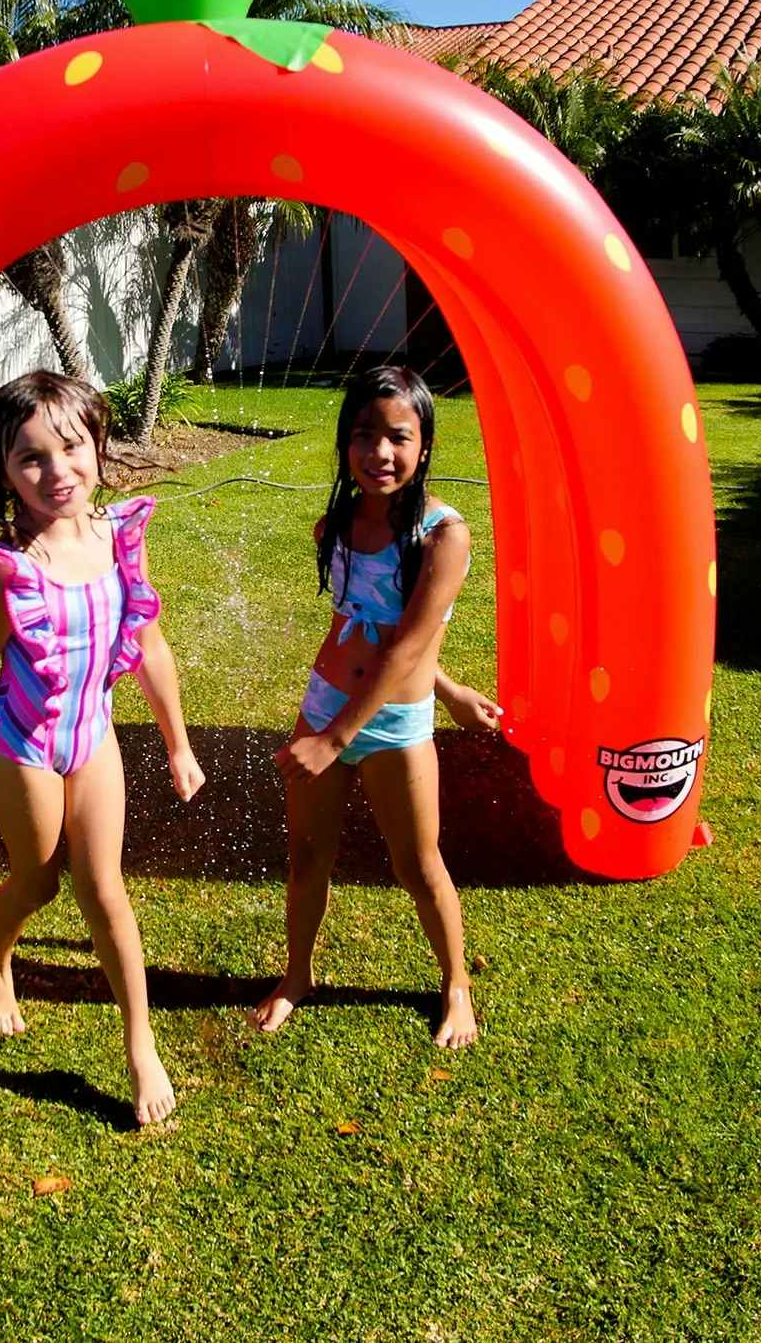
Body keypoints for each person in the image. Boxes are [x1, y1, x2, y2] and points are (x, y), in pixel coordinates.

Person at [0, 372, 205, 1126]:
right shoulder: (6, 573)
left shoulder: (117, 540)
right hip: (19, 742)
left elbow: (148, 645)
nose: (58, 472)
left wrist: (177, 744)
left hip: (94, 735)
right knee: (39, 881)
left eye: (72, 448)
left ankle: (140, 1043)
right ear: (4, 472)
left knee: (104, 888)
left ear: (98, 445)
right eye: (32, 459)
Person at [251, 365, 498, 1049]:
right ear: (344, 441)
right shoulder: (335, 525)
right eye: (364, 435)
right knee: (306, 858)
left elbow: (409, 646)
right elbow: (364, 627)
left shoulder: (443, 537)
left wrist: (338, 737)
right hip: (326, 705)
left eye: (398, 437)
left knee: (417, 864)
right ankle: (297, 975)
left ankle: (455, 984)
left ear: (423, 447)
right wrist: (449, 689)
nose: (379, 453)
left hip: (387, 726)